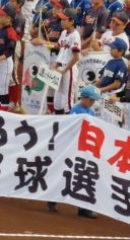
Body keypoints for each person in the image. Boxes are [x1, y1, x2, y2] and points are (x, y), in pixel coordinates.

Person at [47, 85, 101, 218]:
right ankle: (52, 199)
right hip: (73, 149)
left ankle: (83, 208)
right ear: (84, 98)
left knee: (84, 177)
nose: (92, 103)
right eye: (91, 100)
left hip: (85, 150)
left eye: (94, 100)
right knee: (66, 175)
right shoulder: (75, 111)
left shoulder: (91, 112)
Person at [0, 5, 19, 111]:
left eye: (1, 16)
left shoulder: (11, 32)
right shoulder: (0, 30)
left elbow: (10, 51)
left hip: (5, 62)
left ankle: (3, 112)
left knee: (3, 89)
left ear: (8, 19)